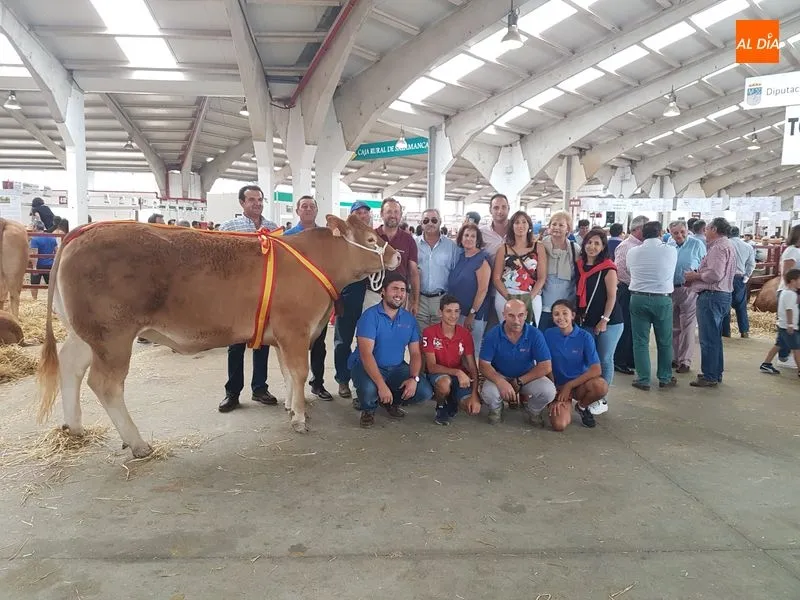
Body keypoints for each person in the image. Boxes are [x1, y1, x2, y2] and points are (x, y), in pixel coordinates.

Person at [217, 185, 280, 412]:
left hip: (264, 294)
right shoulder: (228, 227)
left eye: (260, 199)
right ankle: (232, 393)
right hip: (238, 296)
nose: (257, 203)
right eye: (251, 199)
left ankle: (260, 388)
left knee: (262, 343)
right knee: (236, 345)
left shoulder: (272, 228)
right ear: (242, 203)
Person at [349, 272, 434, 428]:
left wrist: (414, 378)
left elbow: (415, 353)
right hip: (367, 366)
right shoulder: (370, 316)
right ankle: (368, 408)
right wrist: (381, 385)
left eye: (402, 290)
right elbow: (366, 354)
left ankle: (390, 402)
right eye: (394, 289)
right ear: (383, 291)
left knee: (424, 391)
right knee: (369, 390)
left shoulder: (409, 319)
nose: (399, 294)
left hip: (396, 367)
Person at [282, 195, 333, 400]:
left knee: (319, 343)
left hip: (319, 299)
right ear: (297, 211)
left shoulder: (326, 236)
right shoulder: (287, 236)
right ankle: (292, 387)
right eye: (304, 206)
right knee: (291, 343)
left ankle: (317, 383)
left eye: (312, 206)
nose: (308, 209)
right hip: (293, 299)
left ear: (317, 210)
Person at [478, 298, 556, 425]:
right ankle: (496, 408)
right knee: (488, 392)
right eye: (511, 316)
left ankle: (533, 410)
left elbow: (546, 366)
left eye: (520, 315)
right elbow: (483, 365)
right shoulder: (492, 334)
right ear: (503, 315)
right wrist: (500, 381)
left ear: (526, 315)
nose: (516, 320)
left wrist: (520, 381)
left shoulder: (535, 334)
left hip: (526, 377)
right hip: (500, 374)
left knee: (549, 391)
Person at [684, 217, 737, 388]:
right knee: (714, 337)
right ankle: (714, 372)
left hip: (712, 295)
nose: (705, 231)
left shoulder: (718, 248)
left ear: (714, 229)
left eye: (707, 228)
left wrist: (695, 276)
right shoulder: (727, 245)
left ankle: (710, 375)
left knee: (708, 338)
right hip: (722, 295)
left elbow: (715, 273)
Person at [575, 228, 622, 416]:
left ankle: (601, 397)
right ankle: (589, 392)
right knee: (589, 360)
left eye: (597, 243)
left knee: (604, 358)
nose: (592, 247)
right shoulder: (579, 265)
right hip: (586, 320)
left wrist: (604, 320)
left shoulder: (608, 268)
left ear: (603, 247)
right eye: (589, 242)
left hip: (609, 322)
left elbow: (611, 297)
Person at [626, 221, 678, 391]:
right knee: (664, 340)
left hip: (638, 297)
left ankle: (643, 378)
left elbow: (628, 270)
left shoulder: (632, 251)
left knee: (640, 341)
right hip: (662, 299)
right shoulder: (670, 250)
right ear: (661, 232)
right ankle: (665, 377)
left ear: (642, 234)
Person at [544, 299, 609, 429]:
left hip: (578, 385)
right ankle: (555, 403)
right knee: (559, 425)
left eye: (564, 313)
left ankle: (582, 407)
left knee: (600, 386)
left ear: (572, 315)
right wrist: (553, 390)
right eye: (556, 314)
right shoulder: (548, 334)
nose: (560, 317)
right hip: (557, 387)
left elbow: (596, 369)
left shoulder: (585, 337)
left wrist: (570, 385)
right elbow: (545, 363)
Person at [334, 201, 372, 402]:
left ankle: (368, 379)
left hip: (371, 294)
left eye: (366, 212)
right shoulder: (342, 240)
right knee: (343, 340)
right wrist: (337, 298)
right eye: (358, 212)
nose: (363, 215)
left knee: (370, 340)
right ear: (351, 216)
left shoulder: (373, 237)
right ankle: (342, 379)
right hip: (349, 292)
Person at [422, 295, 479, 426]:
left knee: (471, 408)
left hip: (460, 378)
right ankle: (441, 407)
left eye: (456, 311)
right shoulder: (429, 332)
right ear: (440, 312)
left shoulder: (465, 334)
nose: (453, 315)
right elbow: (431, 366)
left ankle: (453, 399)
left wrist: (475, 395)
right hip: (440, 374)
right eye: (448, 311)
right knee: (444, 383)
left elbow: (472, 366)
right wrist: (458, 373)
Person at [363, 198, 420, 314]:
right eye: (389, 212)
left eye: (396, 212)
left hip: (398, 297)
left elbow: (414, 272)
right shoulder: (371, 236)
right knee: (371, 330)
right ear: (382, 214)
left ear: (401, 215)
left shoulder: (408, 240)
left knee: (395, 331)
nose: (393, 215)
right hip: (374, 295)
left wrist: (415, 301)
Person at [492, 210, 547, 328]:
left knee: (530, 332)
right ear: (512, 226)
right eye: (516, 222)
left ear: (529, 226)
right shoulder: (503, 249)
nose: (520, 225)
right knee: (507, 331)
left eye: (524, 222)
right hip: (506, 295)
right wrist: (509, 298)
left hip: (531, 294)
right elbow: (496, 278)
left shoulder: (539, 247)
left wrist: (529, 298)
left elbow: (542, 277)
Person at [667, 220, 706, 373]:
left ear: (687, 230)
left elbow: (704, 265)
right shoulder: (669, 246)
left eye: (682, 232)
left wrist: (697, 278)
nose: (679, 235)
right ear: (670, 233)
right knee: (673, 326)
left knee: (688, 326)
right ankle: (674, 357)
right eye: (675, 233)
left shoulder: (697, 245)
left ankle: (685, 361)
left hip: (689, 289)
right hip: (670, 289)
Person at [448, 223, 491, 357]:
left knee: (472, 350)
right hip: (458, 312)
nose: (469, 238)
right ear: (461, 238)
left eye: (473, 236)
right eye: (466, 235)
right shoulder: (461, 257)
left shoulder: (481, 260)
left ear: (478, 240)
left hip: (474, 315)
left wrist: (472, 314)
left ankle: (473, 377)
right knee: (458, 348)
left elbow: (483, 290)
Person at [613, 215, 648, 375]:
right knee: (625, 326)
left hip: (636, 289)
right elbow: (620, 271)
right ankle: (619, 361)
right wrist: (637, 282)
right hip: (626, 290)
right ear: (638, 229)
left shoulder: (642, 246)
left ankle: (630, 358)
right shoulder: (626, 246)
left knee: (635, 328)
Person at [415, 208, 459, 333]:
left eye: (434, 220)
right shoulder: (414, 244)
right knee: (420, 339)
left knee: (439, 339)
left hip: (441, 299)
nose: (430, 223)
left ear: (440, 222)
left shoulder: (451, 246)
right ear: (421, 223)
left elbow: (455, 273)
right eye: (426, 220)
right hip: (420, 299)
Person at [539, 211, 581, 331]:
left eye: (561, 225)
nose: (557, 227)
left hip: (567, 306)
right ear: (549, 226)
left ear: (568, 228)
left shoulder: (575, 249)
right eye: (554, 224)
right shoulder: (539, 246)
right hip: (544, 306)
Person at [759, 269, 800, 376]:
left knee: (778, 345)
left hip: (782, 325)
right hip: (789, 326)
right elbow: (789, 310)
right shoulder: (791, 294)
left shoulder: (785, 293)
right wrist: (791, 324)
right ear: (793, 281)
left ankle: (766, 364)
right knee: (797, 349)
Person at [722, 226, 756, 339]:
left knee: (725, 304)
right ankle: (744, 331)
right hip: (739, 278)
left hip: (725, 277)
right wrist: (746, 277)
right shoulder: (748, 246)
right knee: (741, 305)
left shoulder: (724, 244)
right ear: (739, 234)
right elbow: (751, 264)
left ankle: (726, 332)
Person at [28, 221, 58, 301]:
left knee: (34, 285)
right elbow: (57, 252)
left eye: (32, 227)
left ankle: (34, 300)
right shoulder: (52, 237)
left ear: (35, 227)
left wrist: (34, 267)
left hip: (38, 265)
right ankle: (52, 302)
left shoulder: (34, 239)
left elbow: (35, 254)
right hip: (50, 265)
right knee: (52, 286)